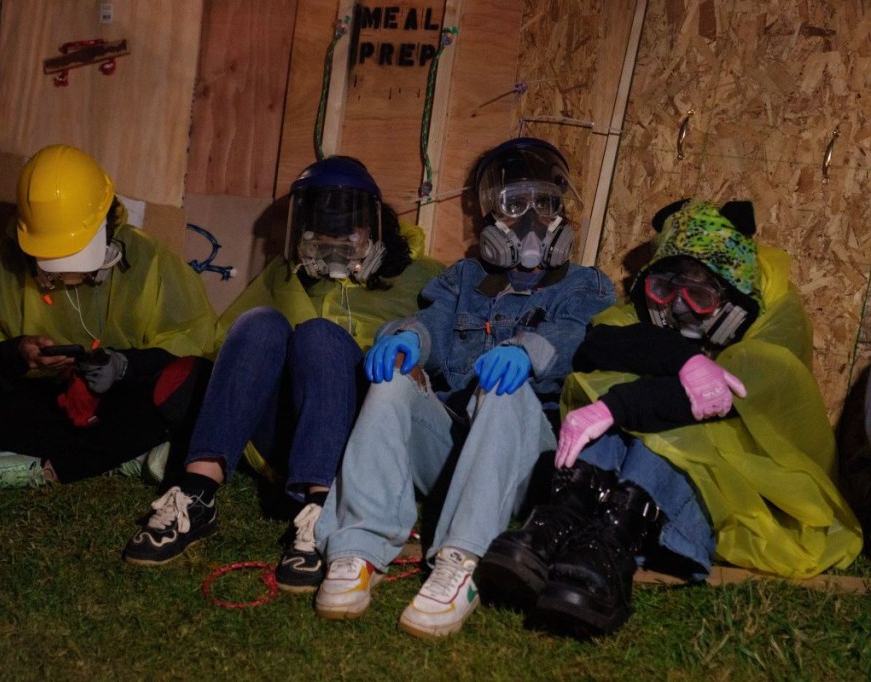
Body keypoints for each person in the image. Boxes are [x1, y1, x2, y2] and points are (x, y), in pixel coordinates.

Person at [476, 199, 863, 636]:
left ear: (735, 301)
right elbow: (601, 343)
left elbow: (713, 401)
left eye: (699, 296)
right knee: (626, 390)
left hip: (735, 497)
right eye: (664, 291)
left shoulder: (775, 344)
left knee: (664, 423)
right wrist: (682, 359)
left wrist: (618, 406)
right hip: (641, 482)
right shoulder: (644, 319)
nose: (678, 309)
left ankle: (613, 544)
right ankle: (565, 517)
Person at [311, 138, 616, 638]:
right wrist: (409, 337)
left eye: (546, 202)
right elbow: (434, 318)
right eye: (516, 204)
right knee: (391, 380)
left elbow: (579, 332)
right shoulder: (464, 278)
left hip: (524, 461)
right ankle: (357, 547)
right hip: (454, 454)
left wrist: (528, 350)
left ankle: (464, 559)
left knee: (502, 389)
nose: (532, 219)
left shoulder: (586, 284)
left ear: (563, 210)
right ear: (491, 215)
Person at [121, 157, 444, 594]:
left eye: (346, 234)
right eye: (319, 234)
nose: (332, 247)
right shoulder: (281, 275)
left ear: (373, 230)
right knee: (256, 322)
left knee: (320, 336)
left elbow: (447, 347)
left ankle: (320, 510)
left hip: (365, 436)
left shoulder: (421, 278)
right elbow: (227, 348)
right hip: (289, 430)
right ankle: (197, 493)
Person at [0, 144, 217, 490]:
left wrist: (123, 367)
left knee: (197, 379)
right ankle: (123, 457)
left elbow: (188, 339)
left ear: (107, 221)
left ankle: (38, 468)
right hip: (39, 407)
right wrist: (19, 354)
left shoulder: (150, 262)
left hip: (119, 405)